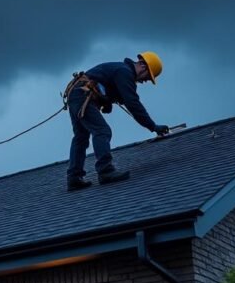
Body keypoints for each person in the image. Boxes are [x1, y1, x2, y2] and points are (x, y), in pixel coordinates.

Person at [64, 52, 170, 191]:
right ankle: (105, 171)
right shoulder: (124, 73)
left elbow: (108, 87)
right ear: (143, 66)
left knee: (81, 136)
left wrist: (107, 101)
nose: (145, 81)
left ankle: (74, 178)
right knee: (102, 131)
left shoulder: (120, 70)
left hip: (77, 94)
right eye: (148, 77)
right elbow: (133, 103)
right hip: (82, 95)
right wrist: (153, 126)